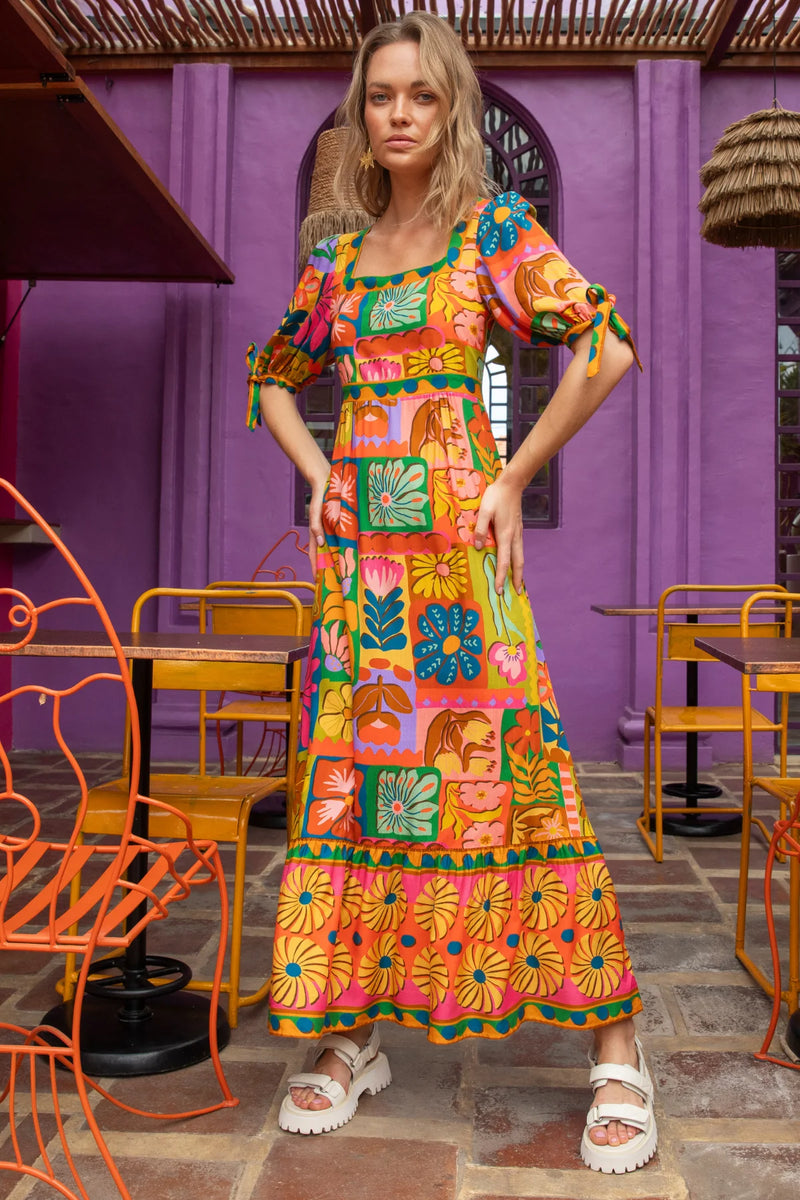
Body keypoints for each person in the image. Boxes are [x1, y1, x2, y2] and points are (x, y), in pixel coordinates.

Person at [246, 11, 655, 1175]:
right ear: (359, 116)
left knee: (513, 778)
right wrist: (321, 473)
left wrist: (513, 475)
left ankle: (616, 1047)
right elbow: (272, 376)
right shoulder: (333, 258)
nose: (398, 114)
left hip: (460, 566)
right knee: (359, 788)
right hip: (360, 570)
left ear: (449, 109)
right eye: (380, 96)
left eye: (420, 95)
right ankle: (348, 1037)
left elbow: (605, 345)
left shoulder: (492, 233)